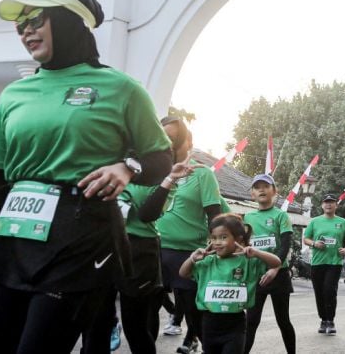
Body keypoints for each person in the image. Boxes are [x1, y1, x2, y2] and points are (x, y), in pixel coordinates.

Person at [0, 0, 173, 354]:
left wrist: (127, 167)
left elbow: (161, 159)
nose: (25, 30)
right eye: (19, 25)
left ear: (70, 21)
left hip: (82, 237)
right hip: (12, 239)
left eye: (36, 19)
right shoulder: (14, 94)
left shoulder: (121, 88)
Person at [83, 159, 195, 354]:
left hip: (140, 251)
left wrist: (169, 178)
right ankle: (111, 324)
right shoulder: (107, 164)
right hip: (102, 245)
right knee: (94, 325)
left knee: (136, 327)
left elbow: (147, 214)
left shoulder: (163, 178)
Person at [146, 114, 227, 354]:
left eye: (175, 139)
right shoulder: (153, 173)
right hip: (155, 248)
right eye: (163, 137)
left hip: (189, 254)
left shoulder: (203, 175)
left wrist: (218, 248)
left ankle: (197, 340)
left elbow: (215, 214)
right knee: (149, 309)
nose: (168, 144)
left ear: (188, 145)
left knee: (193, 311)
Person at [180, 214, 283, 354]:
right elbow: (183, 273)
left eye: (223, 237)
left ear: (238, 239)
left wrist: (256, 252)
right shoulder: (207, 262)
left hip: (235, 325)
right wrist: (192, 259)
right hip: (209, 324)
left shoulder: (248, 262)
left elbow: (276, 262)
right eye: (214, 237)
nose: (217, 242)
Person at [243, 174, 297, 353]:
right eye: (257, 187)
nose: (261, 190)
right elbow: (243, 246)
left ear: (274, 191)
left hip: (279, 275)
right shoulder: (247, 218)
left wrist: (275, 268)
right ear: (252, 194)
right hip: (256, 275)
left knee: (283, 320)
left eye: (266, 186)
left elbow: (285, 246)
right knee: (251, 321)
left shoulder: (281, 216)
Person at [302, 193, 345, 335]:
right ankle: (323, 320)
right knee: (319, 292)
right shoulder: (315, 221)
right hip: (318, 263)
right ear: (322, 205)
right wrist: (314, 243)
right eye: (326, 202)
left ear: (336, 205)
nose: (328, 204)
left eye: (331, 202)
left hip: (334, 262)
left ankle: (330, 320)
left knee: (329, 291)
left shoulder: (342, 222)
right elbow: (306, 239)